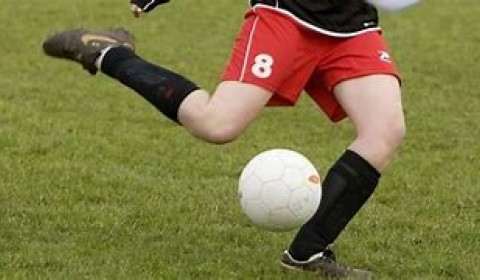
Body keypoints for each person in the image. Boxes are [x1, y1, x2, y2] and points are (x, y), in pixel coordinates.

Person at [43, 0, 418, 277]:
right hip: (285, 15)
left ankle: (308, 252)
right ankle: (109, 52)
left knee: (385, 130)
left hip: (353, 26)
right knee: (216, 123)